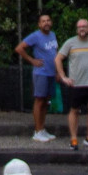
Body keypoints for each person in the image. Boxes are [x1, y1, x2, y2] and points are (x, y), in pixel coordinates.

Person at [56, 17, 88, 150]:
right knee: (74, 110)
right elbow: (58, 58)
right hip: (76, 84)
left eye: (84, 26)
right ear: (77, 29)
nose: (82, 29)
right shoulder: (70, 43)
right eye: (79, 27)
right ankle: (73, 139)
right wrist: (63, 77)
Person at [14, 12, 60, 141]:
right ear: (39, 24)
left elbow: (54, 53)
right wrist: (32, 60)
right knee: (39, 100)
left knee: (46, 101)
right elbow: (19, 48)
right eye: (43, 21)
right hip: (41, 73)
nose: (46, 23)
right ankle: (37, 131)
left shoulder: (53, 35)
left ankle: (42, 128)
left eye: (48, 20)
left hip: (51, 72)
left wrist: (57, 72)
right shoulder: (35, 36)